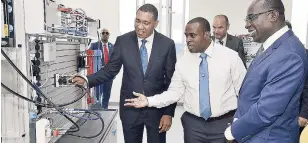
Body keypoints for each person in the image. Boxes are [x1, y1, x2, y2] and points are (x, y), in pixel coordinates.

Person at [124, 17, 247, 143]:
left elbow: (245, 93)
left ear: (206, 35)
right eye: (186, 35)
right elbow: (175, 92)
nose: (188, 40)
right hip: (194, 127)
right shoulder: (183, 59)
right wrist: (149, 101)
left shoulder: (230, 57)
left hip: (224, 125)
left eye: (192, 35)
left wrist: (238, 124)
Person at [73, 4, 177, 143]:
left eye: (146, 23)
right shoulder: (123, 41)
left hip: (156, 110)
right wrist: (87, 79)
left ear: (155, 24)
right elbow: (110, 70)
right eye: (137, 21)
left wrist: (168, 113)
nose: (140, 26)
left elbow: (171, 81)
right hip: (130, 109)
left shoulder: (167, 44)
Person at [224, 0, 308, 142]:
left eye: (251, 18)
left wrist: (233, 131)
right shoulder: (273, 45)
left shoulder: (289, 54)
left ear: (273, 16)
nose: (246, 25)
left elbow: (266, 110)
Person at [286, 20, 308, 132]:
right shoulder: (268, 54)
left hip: (296, 115)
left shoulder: (302, 54)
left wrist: (304, 113)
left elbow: (307, 86)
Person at [89, 28, 114, 109]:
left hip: (109, 75)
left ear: (109, 35)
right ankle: (97, 109)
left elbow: (116, 61)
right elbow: (89, 58)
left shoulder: (112, 47)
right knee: (97, 92)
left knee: (107, 93)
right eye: (103, 33)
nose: (105, 34)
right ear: (100, 35)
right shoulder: (94, 45)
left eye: (107, 33)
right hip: (98, 74)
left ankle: (105, 108)